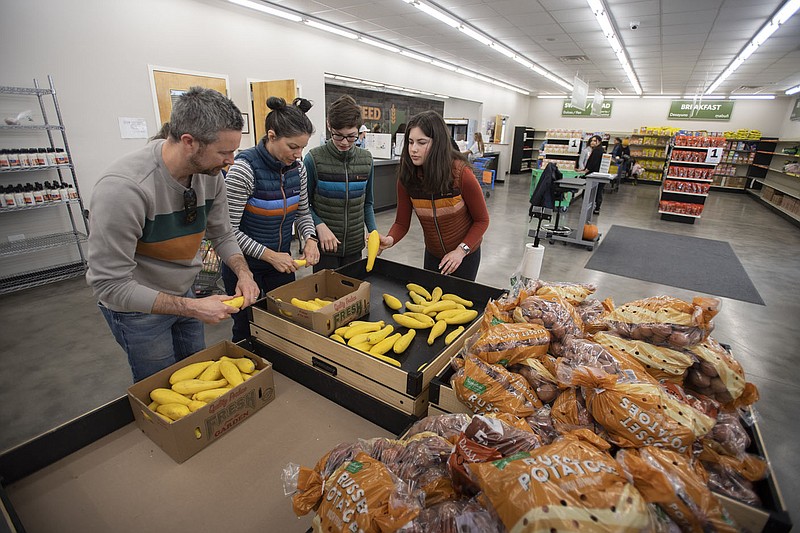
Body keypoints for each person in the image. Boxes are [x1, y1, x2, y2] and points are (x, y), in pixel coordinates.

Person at [86, 87, 260, 382]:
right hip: (136, 308)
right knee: (161, 385)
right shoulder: (124, 189)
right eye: (224, 152)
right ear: (189, 142)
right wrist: (192, 307)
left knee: (197, 377)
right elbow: (109, 284)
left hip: (186, 291)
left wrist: (244, 273)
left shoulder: (211, 176)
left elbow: (223, 233)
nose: (231, 160)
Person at [222, 96, 320, 342]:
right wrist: (269, 255)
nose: (299, 155)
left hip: (281, 263)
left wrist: (309, 238)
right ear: (272, 135)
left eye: (302, 148)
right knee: (246, 327)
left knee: (283, 323)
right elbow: (228, 232)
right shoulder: (244, 170)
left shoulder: (298, 170)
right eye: (292, 147)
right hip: (244, 267)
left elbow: (303, 212)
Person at [380, 110, 490, 281]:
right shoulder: (407, 178)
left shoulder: (460, 174)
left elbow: (482, 220)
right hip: (432, 255)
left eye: (421, 142)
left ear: (437, 143)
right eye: (410, 142)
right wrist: (390, 239)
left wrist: (461, 251)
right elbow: (401, 222)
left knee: (460, 305)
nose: (413, 149)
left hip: (465, 256)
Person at [304, 95, 383, 271]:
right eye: (338, 136)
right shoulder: (313, 160)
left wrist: (373, 231)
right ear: (329, 125)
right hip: (325, 250)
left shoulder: (366, 159)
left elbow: (367, 203)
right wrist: (319, 226)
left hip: (355, 248)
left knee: (353, 296)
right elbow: (303, 205)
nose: (345, 142)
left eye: (351, 136)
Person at [578, 134, 606, 214]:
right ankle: (596, 208)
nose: (592, 142)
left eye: (594, 141)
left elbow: (593, 163)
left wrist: (586, 170)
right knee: (598, 191)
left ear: (599, 141)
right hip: (598, 174)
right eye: (591, 140)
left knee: (589, 191)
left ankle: (586, 207)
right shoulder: (601, 149)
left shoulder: (597, 150)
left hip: (593, 175)